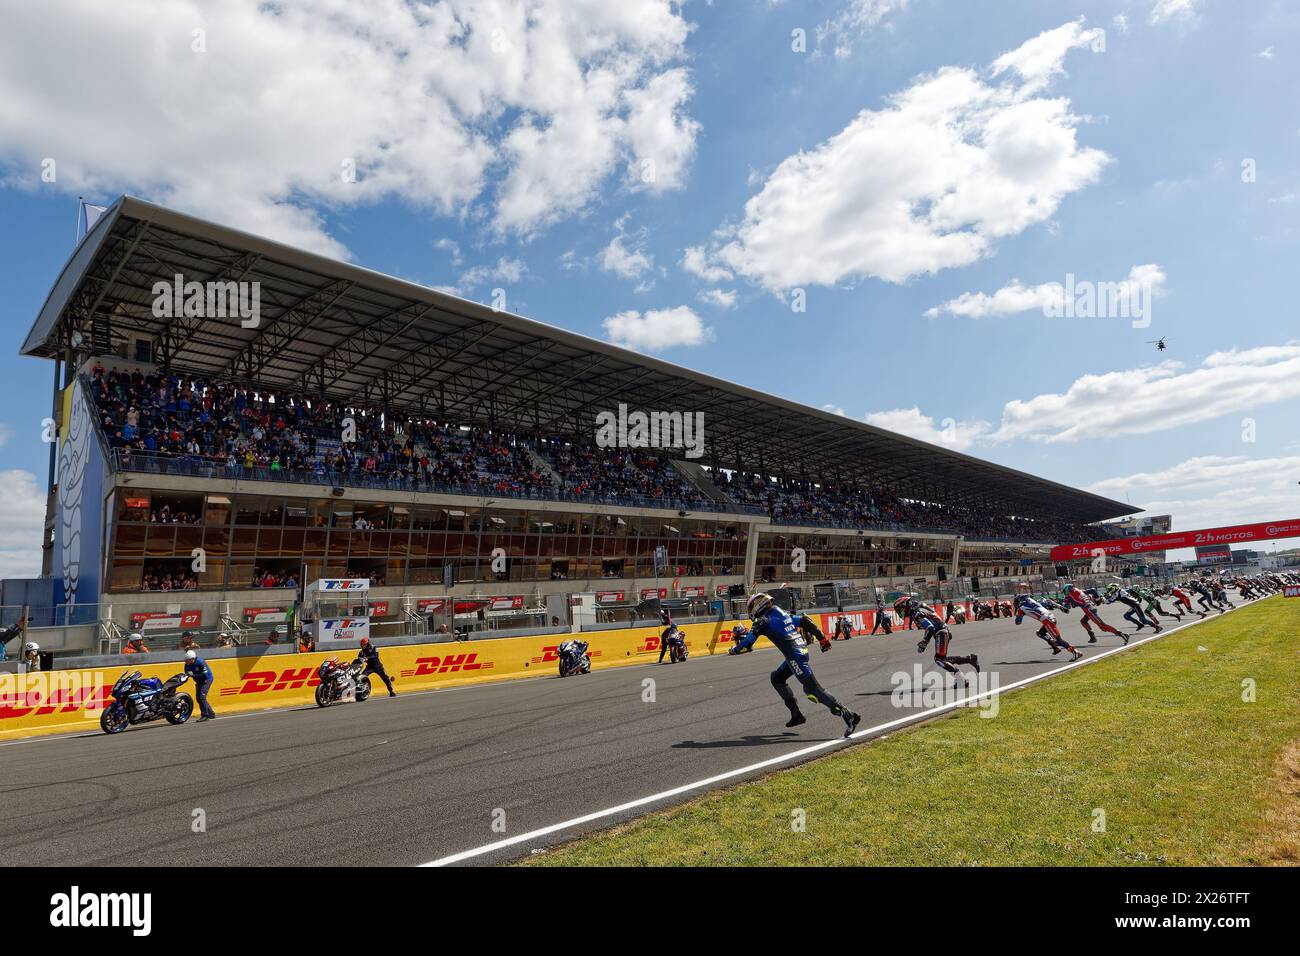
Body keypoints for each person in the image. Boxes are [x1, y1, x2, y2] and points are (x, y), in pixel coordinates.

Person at [729, 592, 860, 737]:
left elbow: (747, 643)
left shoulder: (763, 621)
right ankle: (796, 714)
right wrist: (822, 639)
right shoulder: (782, 614)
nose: (750, 611)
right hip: (801, 652)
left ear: (757, 606)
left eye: (750, 607)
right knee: (777, 678)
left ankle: (848, 715)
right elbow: (804, 620)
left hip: (794, 657)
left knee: (814, 691)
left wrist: (734, 650)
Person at [896, 595, 980, 687]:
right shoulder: (919, 607)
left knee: (939, 659)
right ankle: (970, 659)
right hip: (943, 630)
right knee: (943, 659)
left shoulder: (916, 613)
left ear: (905, 606)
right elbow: (931, 622)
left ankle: (961, 679)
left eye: (900, 609)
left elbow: (930, 627)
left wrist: (924, 643)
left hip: (941, 632)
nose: (900, 612)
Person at [1013, 594, 1082, 661]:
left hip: (1047, 621)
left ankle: (1076, 652)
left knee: (1058, 640)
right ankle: (1055, 648)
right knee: (1040, 633)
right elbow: (1048, 601)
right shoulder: (1034, 602)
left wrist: (1018, 615)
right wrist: (1061, 607)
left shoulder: (1021, 609)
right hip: (1051, 617)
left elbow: (1018, 623)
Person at [184, 649, 217, 721]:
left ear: (192, 659)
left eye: (187, 660)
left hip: (206, 680)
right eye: (185, 660)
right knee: (199, 699)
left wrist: (194, 675)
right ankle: (211, 714)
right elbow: (187, 673)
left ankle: (205, 715)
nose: (186, 662)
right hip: (198, 681)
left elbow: (204, 675)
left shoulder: (200, 662)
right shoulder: (187, 664)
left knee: (201, 697)